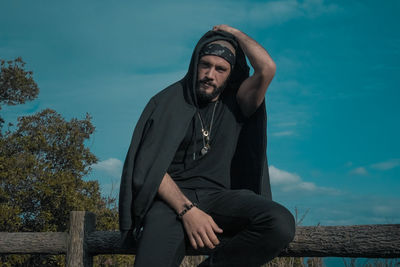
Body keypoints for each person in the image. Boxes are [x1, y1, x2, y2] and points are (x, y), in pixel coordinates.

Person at [119, 25, 296, 267]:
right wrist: (187, 211)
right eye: (206, 65)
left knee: (279, 223)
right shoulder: (168, 101)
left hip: (220, 198)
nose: (210, 74)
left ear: (231, 73)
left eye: (220, 68)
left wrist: (234, 34)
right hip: (171, 202)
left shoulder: (238, 102)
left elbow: (267, 68)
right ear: (195, 64)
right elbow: (149, 166)